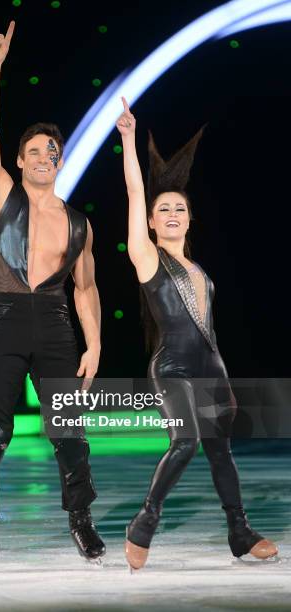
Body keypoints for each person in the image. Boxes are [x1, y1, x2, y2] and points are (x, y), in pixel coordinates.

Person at [0, 20, 105, 569]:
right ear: (19, 161)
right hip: (5, 316)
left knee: (69, 431)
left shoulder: (79, 224)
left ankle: (81, 522)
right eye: (34, 149)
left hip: (54, 324)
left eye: (53, 149)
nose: (44, 154)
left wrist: (93, 345)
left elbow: (87, 287)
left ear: (61, 159)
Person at [116, 97, 278, 570]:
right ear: (150, 221)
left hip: (211, 369)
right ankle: (144, 521)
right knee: (184, 440)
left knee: (220, 452)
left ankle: (240, 533)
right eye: (162, 208)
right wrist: (128, 139)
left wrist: (224, 380)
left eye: (178, 209)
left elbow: (208, 330)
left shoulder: (199, 268)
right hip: (171, 369)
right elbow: (132, 189)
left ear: (189, 219)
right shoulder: (149, 260)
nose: (170, 213)